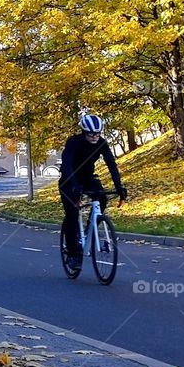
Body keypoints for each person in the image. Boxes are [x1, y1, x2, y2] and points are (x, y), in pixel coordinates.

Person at [59, 114, 127, 272]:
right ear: (84, 132)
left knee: (102, 198)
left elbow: (111, 164)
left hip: (88, 177)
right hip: (69, 179)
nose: (95, 137)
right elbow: (67, 164)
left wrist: (119, 186)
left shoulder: (101, 143)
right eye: (91, 134)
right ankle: (73, 254)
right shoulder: (73, 142)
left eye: (97, 134)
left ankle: (93, 225)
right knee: (72, 214)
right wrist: (74, 186)